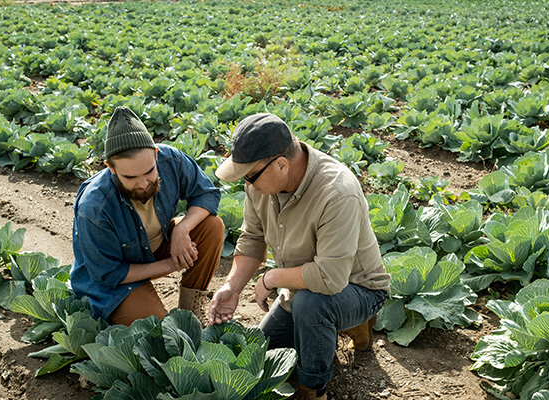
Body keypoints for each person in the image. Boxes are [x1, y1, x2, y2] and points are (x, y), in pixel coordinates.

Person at [209, 113, 390, 400]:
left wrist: (271, 278)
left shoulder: (337, 192)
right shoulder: (260, 183)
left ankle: (314, 387)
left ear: (281, 164)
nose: (248, 183)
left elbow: (329, 279)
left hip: (358, 288)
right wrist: (232, 287)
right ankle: (347, 327)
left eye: (251, 175)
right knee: (261, 353)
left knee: (312, 304)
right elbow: (253, 239)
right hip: (301, 288)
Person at [70, 106, 224, 326]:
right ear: (111, 168)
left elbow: (206, 194)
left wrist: (183, 229)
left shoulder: (171, 160)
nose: (143, 184)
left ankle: (190, 311)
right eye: (131, 177)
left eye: (149, 172)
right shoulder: (94, 208)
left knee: (212, 226)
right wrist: (172, 264)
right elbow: (108, 274)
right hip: (115, 279)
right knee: (159, 331)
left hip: (154, 248)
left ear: (156, 154)